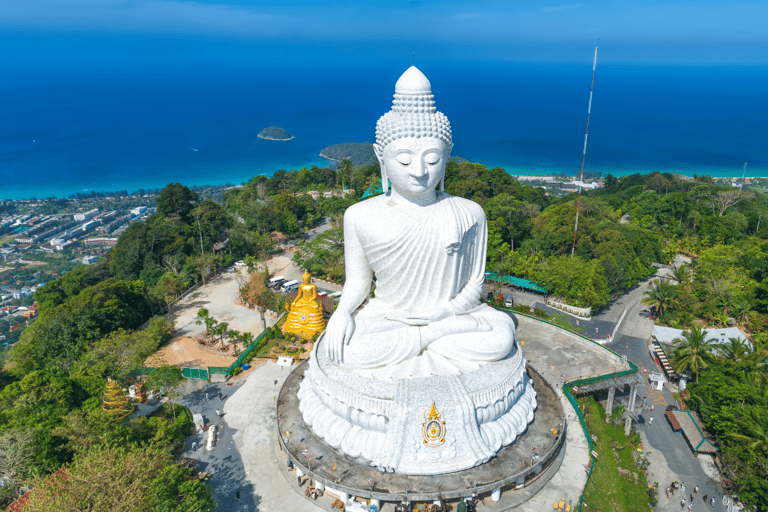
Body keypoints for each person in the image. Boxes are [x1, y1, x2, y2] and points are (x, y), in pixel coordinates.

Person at [323, 67, 516, 378]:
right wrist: (342, 313)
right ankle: (430, 339)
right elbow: (358, 283)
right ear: (379, 156)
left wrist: (445, 313)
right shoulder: (358, 215)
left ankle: (428, 338)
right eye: (403, 159)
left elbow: (473, 285)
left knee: (500, 337)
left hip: (450, 316)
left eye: (431, 159)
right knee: (343, 348)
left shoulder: (469, 213)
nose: (418, 171)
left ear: (448, 154)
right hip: (389, 317)